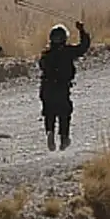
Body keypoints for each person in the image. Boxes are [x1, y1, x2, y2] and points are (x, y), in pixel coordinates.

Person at [38, 21, 90, 151]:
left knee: (49, 112)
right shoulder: (68, 52)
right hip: (61, 88)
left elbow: (42, 66)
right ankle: (64, 137)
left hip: (46, 88)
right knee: (64, 112)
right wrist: (82, 31)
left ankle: (50, 131)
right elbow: (83, 47)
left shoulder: (45, 54)